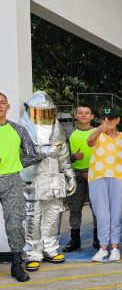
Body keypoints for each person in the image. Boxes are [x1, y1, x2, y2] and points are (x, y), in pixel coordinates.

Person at [19, 91, 76, 272]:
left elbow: (64, 156)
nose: (44, 117)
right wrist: (44, 151)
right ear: (30, 111)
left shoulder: (56, 128)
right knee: (33, 218)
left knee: (54, 215)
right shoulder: (21, 130)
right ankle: (32, 254)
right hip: (33, 180)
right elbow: (22, 156)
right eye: (39, 112)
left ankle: (50, 249)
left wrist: (70, 175)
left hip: (54, 181)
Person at [0, 93, 39, 282]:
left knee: (15, 223)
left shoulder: (18, 129)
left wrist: (15, 162)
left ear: (8, 106)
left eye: (2, 103)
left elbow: (32, 155)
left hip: (11, 180)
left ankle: (17, 264)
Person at [87, 108, 122, 262]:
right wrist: (99, 130)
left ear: (118, 120)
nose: (107, 122)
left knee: (116, 214)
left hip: (118, 177)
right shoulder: (95, 133)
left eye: (111, 118)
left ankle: (115, 248)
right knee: (102, 214)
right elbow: (89, 142)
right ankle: (103, 248)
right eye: (104, 118)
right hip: (97, 177)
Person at [63, 104, 98, 252]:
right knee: (74, 209)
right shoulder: (69, 133)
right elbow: (62, 157)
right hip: (75, 175)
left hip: (95, 174)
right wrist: (74, 157)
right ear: (75, 115)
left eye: (87, 113)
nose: (83, 115)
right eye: (80, 113)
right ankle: (75, 240)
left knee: (96, 208)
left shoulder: (97, 132)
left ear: (92, 116)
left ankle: (98, 239)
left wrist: (92, 170)